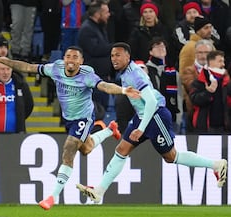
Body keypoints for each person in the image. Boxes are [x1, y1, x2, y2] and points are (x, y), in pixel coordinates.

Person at [0, 45, 141, 210]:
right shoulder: (55, 68)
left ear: (81, 61)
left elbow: (104, 86)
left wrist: (123, 90)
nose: (71, 60)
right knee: (86, 149)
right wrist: (0, 59)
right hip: (69, 119)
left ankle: (52, 196)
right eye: (68, 56)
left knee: (69, 148)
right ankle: (109, 130)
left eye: (75, 57)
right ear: (64, 59)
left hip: (84, 118)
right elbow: (27, 67)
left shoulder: (87, 75)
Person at [76, 42, 228, 204]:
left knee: (171, 157)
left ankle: (216, 165)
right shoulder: (125, 73)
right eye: (112, 55)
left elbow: (151, 102)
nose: (114, 58)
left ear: (128, 56)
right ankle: (99, 191)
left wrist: (141, 129)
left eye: (118, 55)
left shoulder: (135, 74)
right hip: (142, 116)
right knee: (121, 149)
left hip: (155, 116)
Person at [77, 0, 113, 110]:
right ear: (98, 14)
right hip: (93, 80)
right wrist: (113, 47)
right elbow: (95, 50)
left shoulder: (99, 27)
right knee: (96, 112)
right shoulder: (87, 29)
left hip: (102, 78)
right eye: (106, 12)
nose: (109, 14)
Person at [190, 50, 231, 133]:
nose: (223, 64)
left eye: (223, 61)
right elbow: (194, 100)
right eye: (220, 61)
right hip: (205, 127)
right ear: (210, 62)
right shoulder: (199, 81)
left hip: (225, 127)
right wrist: (208, 92)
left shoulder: (227, 80)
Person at [180, 39, 214, 133]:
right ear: (195, 54)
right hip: (195, 114)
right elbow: (192, 88)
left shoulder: (219, 71)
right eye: (200, 52)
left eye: (206, 52)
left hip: (215, 115)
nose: (203, 56)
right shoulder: (188, 71)